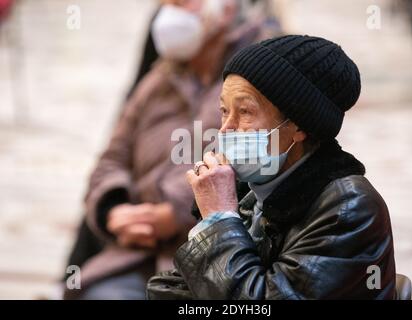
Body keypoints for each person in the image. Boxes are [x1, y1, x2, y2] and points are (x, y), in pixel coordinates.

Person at [148, 35, 396, 299]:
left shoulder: (349, 209)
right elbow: (176, 287)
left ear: (299, 126)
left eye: (245, 112)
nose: (225, 128)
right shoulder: (251, 190)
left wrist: (218, 220)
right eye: (223, 111)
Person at [63, 0, 281, 300]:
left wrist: (174, 213)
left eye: (182, 3)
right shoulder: (158, 78)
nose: (170, 13)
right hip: (134, 255)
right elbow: (111, 159)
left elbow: (254, 162)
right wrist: (114, 211)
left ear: (227, 9)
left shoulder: (264, 71)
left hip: (218, 260)